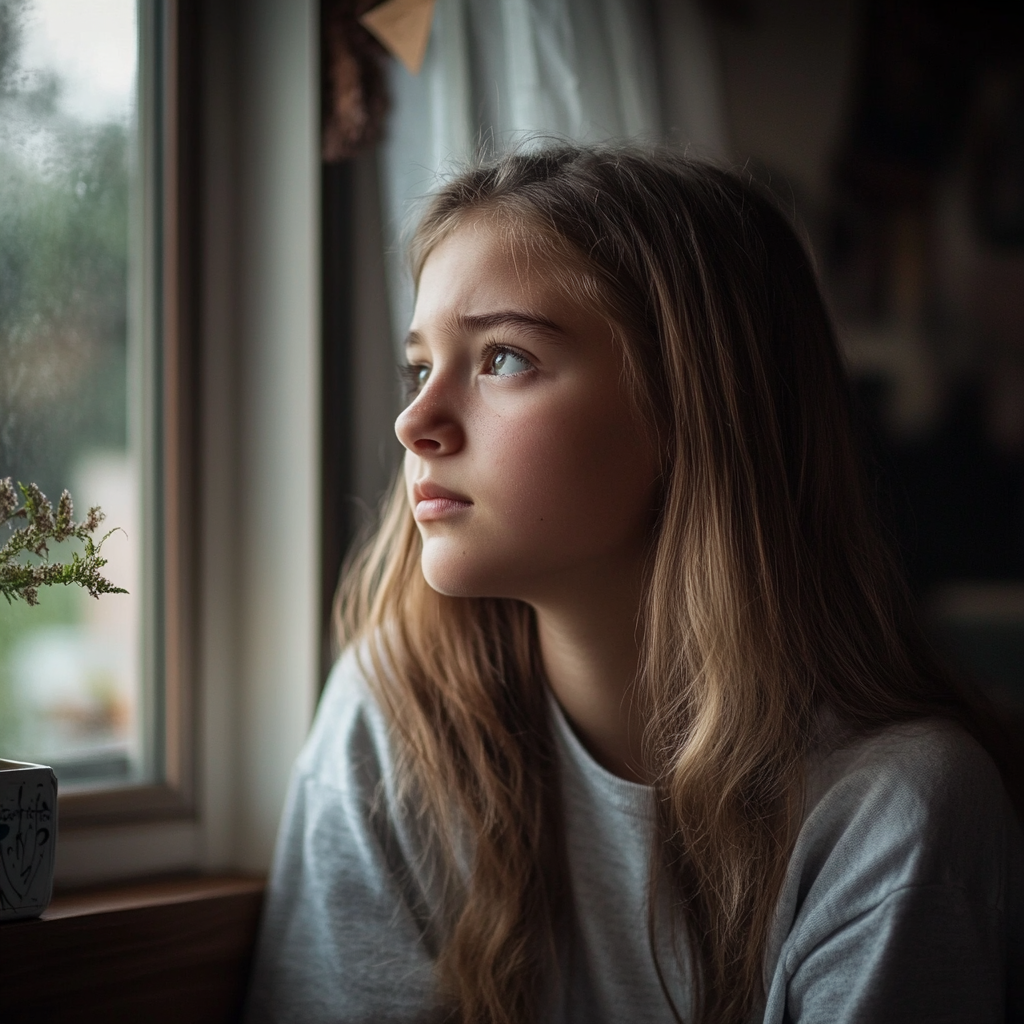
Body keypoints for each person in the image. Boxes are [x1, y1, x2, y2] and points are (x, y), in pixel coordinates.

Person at [244, 145, 1024, 1024]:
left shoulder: (901, 815)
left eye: (503, 358)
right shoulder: (398, 717)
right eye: (420, 367)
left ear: (694, 407)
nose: (414, 420)